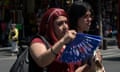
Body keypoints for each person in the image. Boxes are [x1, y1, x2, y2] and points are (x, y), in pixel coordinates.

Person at [29, 8, 92, 72]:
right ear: (49, 26)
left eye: (66, 22)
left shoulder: (70, 43)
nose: (65, 27)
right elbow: (42, 61)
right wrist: (62, 41)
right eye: (60, 24)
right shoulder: (38, 41)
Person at [68, 2, 105, 72]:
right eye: (85, 16)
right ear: (76, 18)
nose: (89, 19)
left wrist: (96, 62)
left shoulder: (88, 40)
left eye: (90, 16)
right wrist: (88, 65)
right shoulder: (69, 41)